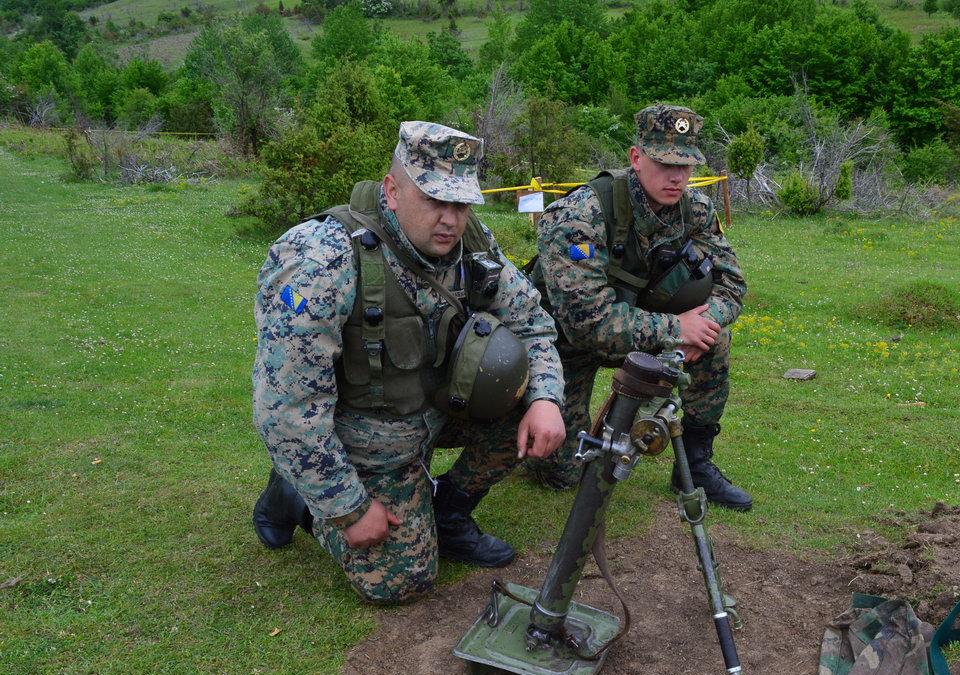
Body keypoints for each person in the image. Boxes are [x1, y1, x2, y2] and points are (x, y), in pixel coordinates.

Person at [251, 121, 566, 604]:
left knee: (520, 399)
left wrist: (545, 397)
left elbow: (533, 324)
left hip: (435, 411)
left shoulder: (472, 251)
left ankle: (449, 511)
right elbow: (287, 408)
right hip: (366, 438)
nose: (450, 219)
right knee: (402, 583)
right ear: (392, 191)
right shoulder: (325, 259)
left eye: (460, 204)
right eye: (434, 201)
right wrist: (348, 509)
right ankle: (296, 496)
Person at [525, 104, 751, 510]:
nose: (677, 176)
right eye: (665, 164)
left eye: (686, 165)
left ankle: (695, 467)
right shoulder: (581, 215)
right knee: (563, 474)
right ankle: (528, 427)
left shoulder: (695, 210)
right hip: (561, 346)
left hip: (637, 327)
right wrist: (676, 329)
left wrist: (703, 325)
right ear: (636, 157)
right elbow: (585, 324)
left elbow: (732, 283)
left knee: (716, 340)